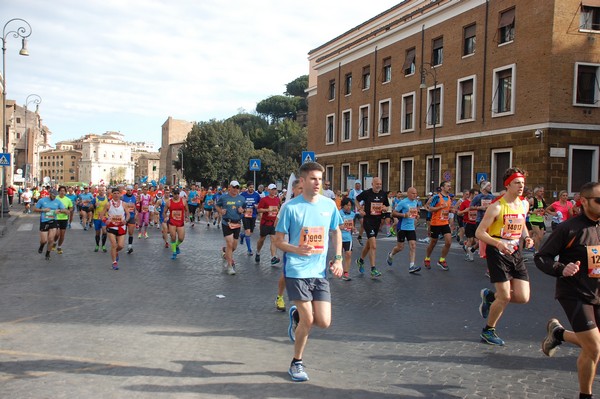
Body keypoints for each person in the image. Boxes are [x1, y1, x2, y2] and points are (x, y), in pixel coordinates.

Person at [273, 162, 343, 382]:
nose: (317, 183)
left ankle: (295, 315)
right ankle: (296, 362)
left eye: (320, 179)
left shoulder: (329, 205)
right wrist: (297, 249)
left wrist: (339, 259)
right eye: (313, 179)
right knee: (309, 318)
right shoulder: (290, 208)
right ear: (301, 182)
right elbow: (278, 241)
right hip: (296, 270)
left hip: (319, 273)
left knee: (323, 322)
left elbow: (336, 231)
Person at [535, 181, 600, 399]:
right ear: (584, 201)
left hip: (597, 292)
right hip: (575, 293)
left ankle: (558, 333)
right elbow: (541, 257)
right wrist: (562, 268)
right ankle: (586, 396)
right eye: (598, 200)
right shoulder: (568, 228)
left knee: (595, 344)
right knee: (593, 348)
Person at [476, 167, 534, 346]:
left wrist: (527, 237)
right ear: (508, 185)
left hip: (515, 251)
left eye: (523, 183)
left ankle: (491, 297)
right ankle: (488, 330)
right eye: (517, 183)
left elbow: (522, 222)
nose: (521, 186)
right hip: (497, 252)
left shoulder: (524, 204)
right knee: (506, 297)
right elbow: (480, 232)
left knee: (523, 297)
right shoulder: (497, 207)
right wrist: (498, 243)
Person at [355, 177, 389, 278]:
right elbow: (356, 200)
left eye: (380, 184)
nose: (378, 185)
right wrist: (360, 209)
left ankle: (360, 260)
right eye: (377, 184)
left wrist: (384, 208)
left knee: (369, 245)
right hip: (368, 220)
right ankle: (373, 269)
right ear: (372, 184)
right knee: (373, 245)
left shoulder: (383, 194)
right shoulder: (366, 193)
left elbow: (387, 206)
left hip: (377, 221)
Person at [387, 187, 421, 273]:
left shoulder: (415, 202)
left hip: (411, 228)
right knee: (400, 247)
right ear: (408, 194)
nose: (415, 195)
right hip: (402, 227)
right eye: (413, 193)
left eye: (416, 193)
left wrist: (416, 215)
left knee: (413, 245)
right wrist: (404, 215)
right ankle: (391, 255)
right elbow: (393, 213)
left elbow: (414, 212)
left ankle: (412, 266)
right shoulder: (403, 202)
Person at [215, 180, 245, 275]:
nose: (235, 189)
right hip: (226, 223)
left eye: (237, 187)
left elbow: (244, 208)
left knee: (234, 246)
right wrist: (220, 211)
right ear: (230, 187)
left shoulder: (241, 198)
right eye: (234, 187)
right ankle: (230, 266)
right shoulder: (224, 197)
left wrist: (242, 211)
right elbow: (217, 205)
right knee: (229, 243)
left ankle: (225, 253)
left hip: (237, 223)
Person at [423, 181, 453, 271]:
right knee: (433, 243)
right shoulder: (436, 197)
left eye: (450, 186)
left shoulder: (449, 197)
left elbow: (447, 209)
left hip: (445, 223)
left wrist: (452, 210)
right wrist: (440, 207)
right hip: (436, 223)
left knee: (448, 242)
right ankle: (427, 258)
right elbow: (430, 209)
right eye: (448, 186)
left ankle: (442, 260)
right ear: (442, 188)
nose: (449, 187)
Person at [34, 188, 67, 260]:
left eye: (55, 196)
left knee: (51, 239)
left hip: (53, 221)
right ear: (50, 194)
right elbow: (35, 209)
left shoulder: (58, 202)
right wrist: (43, 210)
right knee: (44, 240)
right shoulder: (42, 200)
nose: (54, 197)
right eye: (53, 195)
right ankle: (42, 245)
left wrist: (60, 211)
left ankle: (48, 253)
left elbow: (65, 210)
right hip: (44, 221)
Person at [256, 183, 281, 265]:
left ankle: (273, 257)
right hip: (265, 222)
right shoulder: (264, 199)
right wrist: (267, 210)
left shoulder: (277, 199)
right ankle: (258, 252)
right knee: (262, 239)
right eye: (272, 189)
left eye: (275, 189)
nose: (274, 191)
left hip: (273, 223)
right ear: (269, 190)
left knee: (274, 240)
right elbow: (259, 210)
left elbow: (278, 208)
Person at [104, 187, 128, 270]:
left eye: (118, 193)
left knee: (121, 246)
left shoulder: (124, 204)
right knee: (113, 245)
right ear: (112, 194)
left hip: (121, 227)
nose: (116, 195)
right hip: (111, 226)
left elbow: (128, 214)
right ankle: (114, 262)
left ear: (120, 194)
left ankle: (116, 252)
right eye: (115, 193)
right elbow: (102, 215)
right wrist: (105, 220)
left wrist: (126, 220)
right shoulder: (108, 204)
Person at [164, 188, 186, 260]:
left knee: (181, 238)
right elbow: (164, 212)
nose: (176, 195)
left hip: (180, 222)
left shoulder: (183, 201)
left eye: (177, 194)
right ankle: (174, 252)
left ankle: (176, 245)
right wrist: (165, 217)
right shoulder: (169, 202)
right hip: (172, 222)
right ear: (172, 194)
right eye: (175, 194)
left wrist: (188, 217)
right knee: (173, 237)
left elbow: (187, 210)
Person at [240, 182, 261, 256]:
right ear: (247, 187)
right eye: (250, 187)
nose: (252, 188)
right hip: (245, 215)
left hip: (253, 215)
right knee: (248, 232)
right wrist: (242, 208)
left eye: (253, 187)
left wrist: (257, 205)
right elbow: (239, 203)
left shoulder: (256, 195)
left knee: (250, 232)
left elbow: (260, 203)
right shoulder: (243, 195)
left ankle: (242, 236)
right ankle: (249, 250)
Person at [339, 197, 356, 281]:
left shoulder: (353, 214)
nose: (349, 207)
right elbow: (334, 225)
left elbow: (351, 225)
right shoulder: (339, 213)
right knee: (339, 256)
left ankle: (346, 273)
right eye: (347, 205)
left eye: (350, 205)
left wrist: (353, 228)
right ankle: (332, 263)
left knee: (348, 254)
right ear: (343, 206)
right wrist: (340, 226)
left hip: (348, 238)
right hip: (339, 238)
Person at [55, 186, 73, 254]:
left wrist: (68, 211)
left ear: (65, 192)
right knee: (57, 234)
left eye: (63, 191)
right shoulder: (55, 198)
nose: (62, 192)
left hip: (64, 218)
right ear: (59, 191)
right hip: (56, 218)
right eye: (61, 191)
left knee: (62, 235)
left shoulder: (68, 200)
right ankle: (54, 242)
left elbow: (71, 208)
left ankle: (59, 247)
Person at [91, 186, 109, 253]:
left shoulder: (107, 199)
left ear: (105, 191)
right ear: (98, 191)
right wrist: (94, 205)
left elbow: (110, 207)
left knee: (104, 231)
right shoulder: (95, 199)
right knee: (97, 233)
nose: (101, 191)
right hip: (97, 217)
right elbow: (90, 208)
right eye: (100, 190)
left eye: (102, 190)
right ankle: (97, 245)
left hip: (104, 217)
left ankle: (103, 245)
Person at [121, 185, 138, 254]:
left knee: (131, 232)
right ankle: (119, 244)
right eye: (128, 190)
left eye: (131, 190)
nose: (130, 191)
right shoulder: (123, 197)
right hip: (124, 217)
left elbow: (135, 207)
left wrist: (136, 212)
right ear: (126, 190)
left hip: (131, 217)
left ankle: (130, 246)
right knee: (122, 232)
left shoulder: (134, 197)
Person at [348, 180, 364, 245]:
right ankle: (350, 240)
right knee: (351, 226)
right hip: (353, 211)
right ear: (355, 185)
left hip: (360, 210)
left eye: (359, 184)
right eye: (356, 184)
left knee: (363, 224)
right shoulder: (352, 191)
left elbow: (365, 200)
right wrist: (354, 202)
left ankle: (360, 236)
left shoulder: (362, 192)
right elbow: (349, 199)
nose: (358, 185)